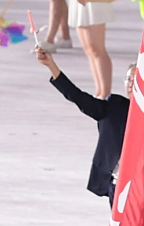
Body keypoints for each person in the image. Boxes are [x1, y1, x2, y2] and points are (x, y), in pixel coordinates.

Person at [37, 43, 127, 198]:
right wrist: (51, 66)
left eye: (136, 78)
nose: (132, 83)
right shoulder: (114, 107)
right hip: (118, 184)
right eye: (129, 79)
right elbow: (77, 96)